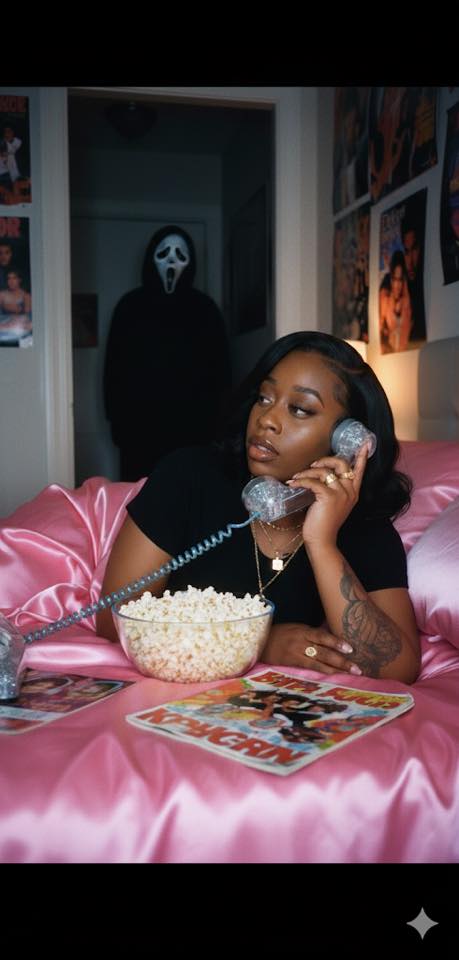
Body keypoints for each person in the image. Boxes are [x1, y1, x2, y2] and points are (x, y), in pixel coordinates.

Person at [97, 331, 420, 684]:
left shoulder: (364, 524)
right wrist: (257, 642)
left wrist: (322, 542)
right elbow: (114, 621)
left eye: (299, 409)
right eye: (265, 397)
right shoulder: (188, 477)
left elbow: (398, 670)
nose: (266, 419)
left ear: (349, 441)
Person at [103, 225, 231, 481]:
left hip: (193, 431)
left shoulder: (205, 310)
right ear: (151, 257)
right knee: (139, 494)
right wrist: (117, 423)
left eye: (180, 254)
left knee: (187, 491)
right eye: (164, 252)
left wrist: (217, 425)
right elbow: (113, 369)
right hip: (138, 430)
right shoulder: (129, 307)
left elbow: (222, 372)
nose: (172, 260)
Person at [379, 250, 412, 353]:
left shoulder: (407, 303)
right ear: (391, 279)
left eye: (400, 280)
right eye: (395, 279)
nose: (397, 285)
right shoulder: (385, 299)